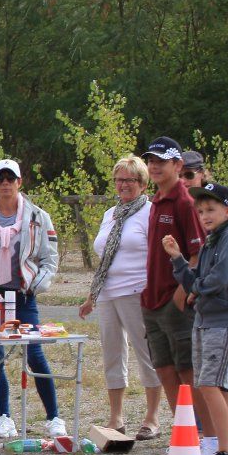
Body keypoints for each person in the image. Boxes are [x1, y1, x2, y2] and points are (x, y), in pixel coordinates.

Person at [0, 159, 64, 440]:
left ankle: (54, 417)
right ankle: (4, 417)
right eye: (0, 179)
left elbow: (49, 258)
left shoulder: (38, 216)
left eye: (11, 179)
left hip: (22, 295)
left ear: (20, 182)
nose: (6, 184)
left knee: (34, 353)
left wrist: (37, 284)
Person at [79, 155, 163, 439]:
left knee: (146, 353)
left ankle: (152, 418)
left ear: (143, 183)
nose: (123, 185)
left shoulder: (150, 212)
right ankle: (116, 417)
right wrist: (92, 296)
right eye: (119, 179)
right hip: (108, 293)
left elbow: (158, 255)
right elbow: (104, 258)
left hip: (137, 291)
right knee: (112, 354)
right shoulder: (110, 214)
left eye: (129, 180)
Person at [140, 137, 211, 455]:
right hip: (152, 300)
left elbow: (198, 254)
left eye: (161, 161)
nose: (154, 166)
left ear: (177, 165)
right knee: (165, 370)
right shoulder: (156, 199)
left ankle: (208, 440)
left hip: (175, 300)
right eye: (151, 161)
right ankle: (185, 436)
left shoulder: (184, 201)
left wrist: (181, 296)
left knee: (188, 372)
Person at [164, 183, 228, 455]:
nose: (205, 215)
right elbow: (194, 279)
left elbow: (220, 278)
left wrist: (197, 289)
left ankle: (225, 452)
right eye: (201, 211)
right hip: (205, 320)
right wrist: (177, 258)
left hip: (223, 321)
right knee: (218, 385)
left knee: (208, 383)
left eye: (211, 210)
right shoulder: (210, 241)